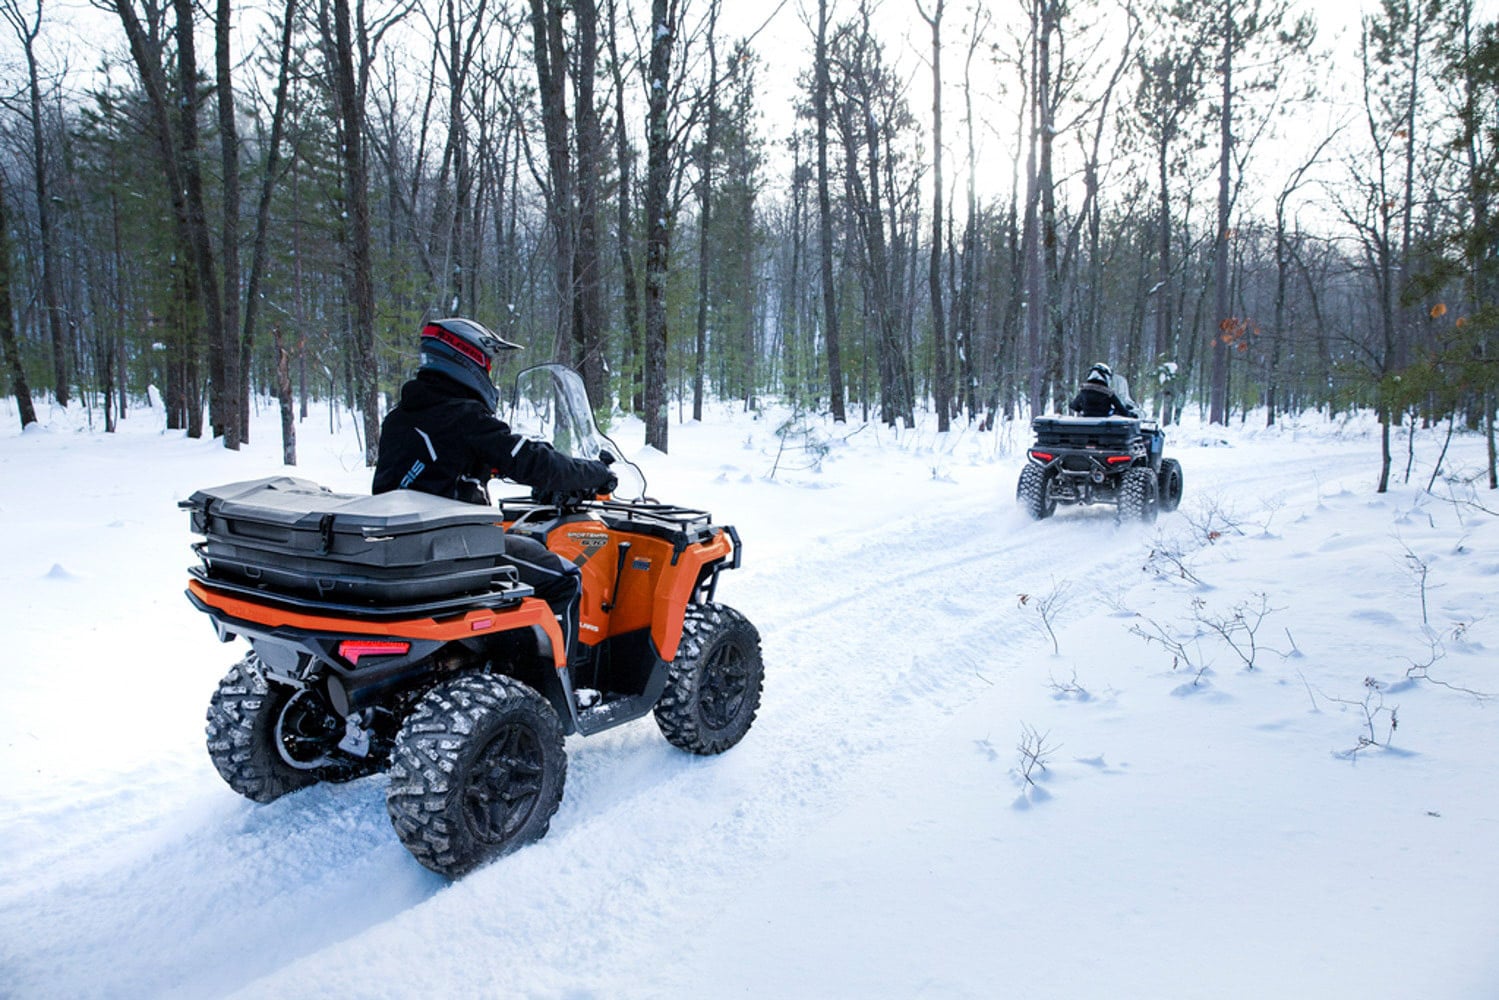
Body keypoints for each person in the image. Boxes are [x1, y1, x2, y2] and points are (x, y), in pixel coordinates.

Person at [373, 317, 616, 661]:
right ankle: (558, 690)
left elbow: (441, 463)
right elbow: (535, 463)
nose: (489, 372)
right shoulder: (465, 418)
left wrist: (493, 464)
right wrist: (594, 472)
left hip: (402, 549)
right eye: (487, 363)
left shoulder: (401, 417)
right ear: (466, 359)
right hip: (454, 552)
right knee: (564, 578)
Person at [1069, 362, 1139, 418]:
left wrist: (1085, 409)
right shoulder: (1108, 393)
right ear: (1106, 376)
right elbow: (1122, 411)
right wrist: (1132, 415)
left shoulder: (1084, 391)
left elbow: (1073, 406)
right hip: (1105, 427)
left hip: (1087, 426)